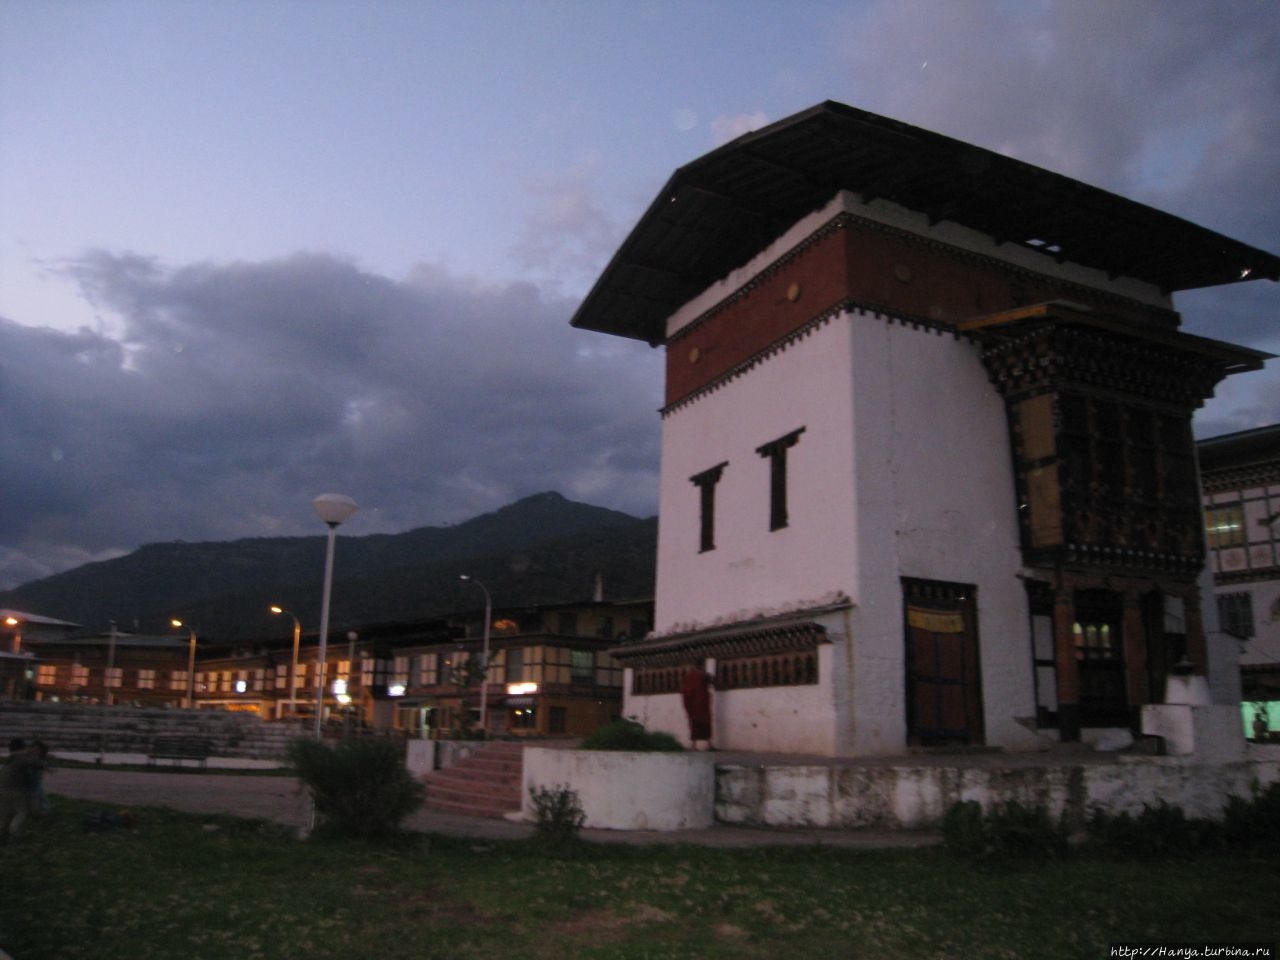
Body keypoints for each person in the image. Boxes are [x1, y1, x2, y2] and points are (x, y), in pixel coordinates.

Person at [1, 739, 39, 842]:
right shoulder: (20, 758)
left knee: (6, 813)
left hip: (3, 789)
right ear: (22, 748)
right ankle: (15, 833)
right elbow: (34, 763)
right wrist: (32, 754)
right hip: (16, 790)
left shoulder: (10, 759)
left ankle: (3, 833)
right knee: (21, 812)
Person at [680, 662, 715, 750]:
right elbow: (711, 680)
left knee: (694, 723)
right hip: (702, 703)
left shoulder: (688, 676)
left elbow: (684, 690)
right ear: (701, 667)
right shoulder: (702, 675)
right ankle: (709, 745)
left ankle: (694, 745)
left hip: (692, 704)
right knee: (705, 723)